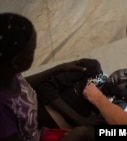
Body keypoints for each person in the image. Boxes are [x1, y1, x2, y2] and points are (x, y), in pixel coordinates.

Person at [0, 13, 93, 141]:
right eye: (32, 50)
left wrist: (58, 68)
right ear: (16, 62)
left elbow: (23, 84)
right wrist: (79, 132)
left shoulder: (7, 74)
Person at [36, 58, 127, 129]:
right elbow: (45, 88)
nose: (122, 78)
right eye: (125, 72)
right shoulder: (92, 69)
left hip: (40, 130)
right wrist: (79, 119)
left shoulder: (111, 108)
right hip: (31, 104)